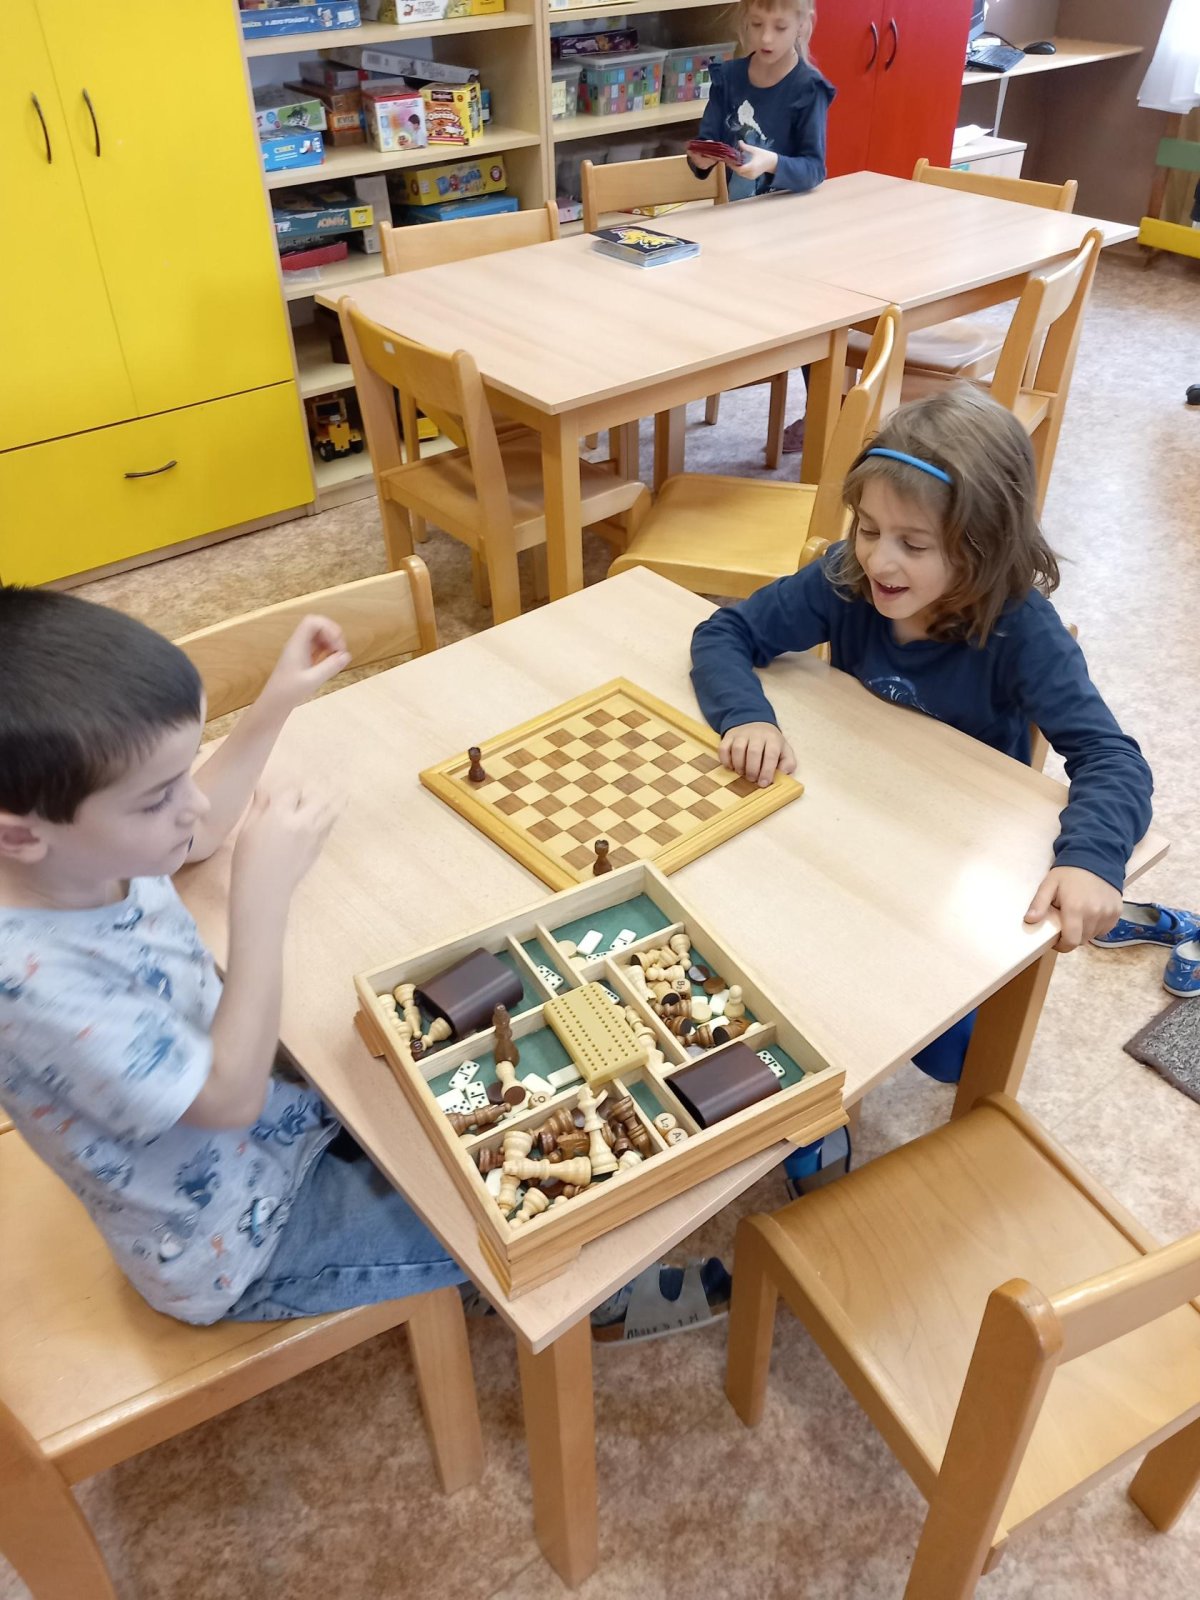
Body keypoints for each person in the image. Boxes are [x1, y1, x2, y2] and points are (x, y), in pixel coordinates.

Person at [0, 585, 463, 1325]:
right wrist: (262, 899)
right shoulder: (29, 986)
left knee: (460, 1087)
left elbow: (200, 830)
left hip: (288, 1115)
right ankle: (611, 1303)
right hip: (237, 1239)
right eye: (157, 797)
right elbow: (227, 1100)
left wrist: (276, 702)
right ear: (19, 834)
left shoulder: (80, 852)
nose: (187, 805)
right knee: (507, 1232)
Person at [690, 385, 1154, 1080]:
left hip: (952, 851)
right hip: (844, 816)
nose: (879, 562)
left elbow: (1112, 757)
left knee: (950, 1053)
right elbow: (726, 631)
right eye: (868, 528)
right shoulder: (845, 577)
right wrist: (747, 715)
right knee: (773, 965)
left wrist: (1091, 859)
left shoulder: (1024, 633)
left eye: (913, 544)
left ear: (983, 548)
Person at [688, 0, 836, 452]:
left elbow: (814, 168)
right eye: (756, 25)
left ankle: (825, 409)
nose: (766, 38)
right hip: (736, 228)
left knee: (810, 316)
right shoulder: (729, 78)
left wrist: (772, 162)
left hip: (789, 233)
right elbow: (708, 141)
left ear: (803, 25)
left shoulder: (808, 87)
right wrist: (699, 159)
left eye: (779, 26)